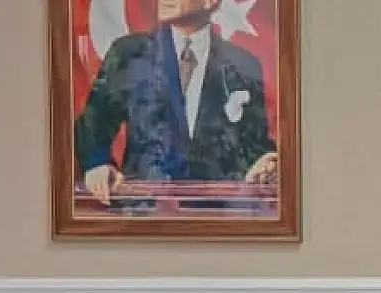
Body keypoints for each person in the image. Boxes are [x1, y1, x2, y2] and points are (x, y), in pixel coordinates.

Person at [73, 0, 278, 204]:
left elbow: (254, 145)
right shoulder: (129, 54)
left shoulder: (242, 64)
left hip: (216, 214)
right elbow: (93, 125)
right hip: (143, 212)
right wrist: (97, 165)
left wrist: (265, 165)